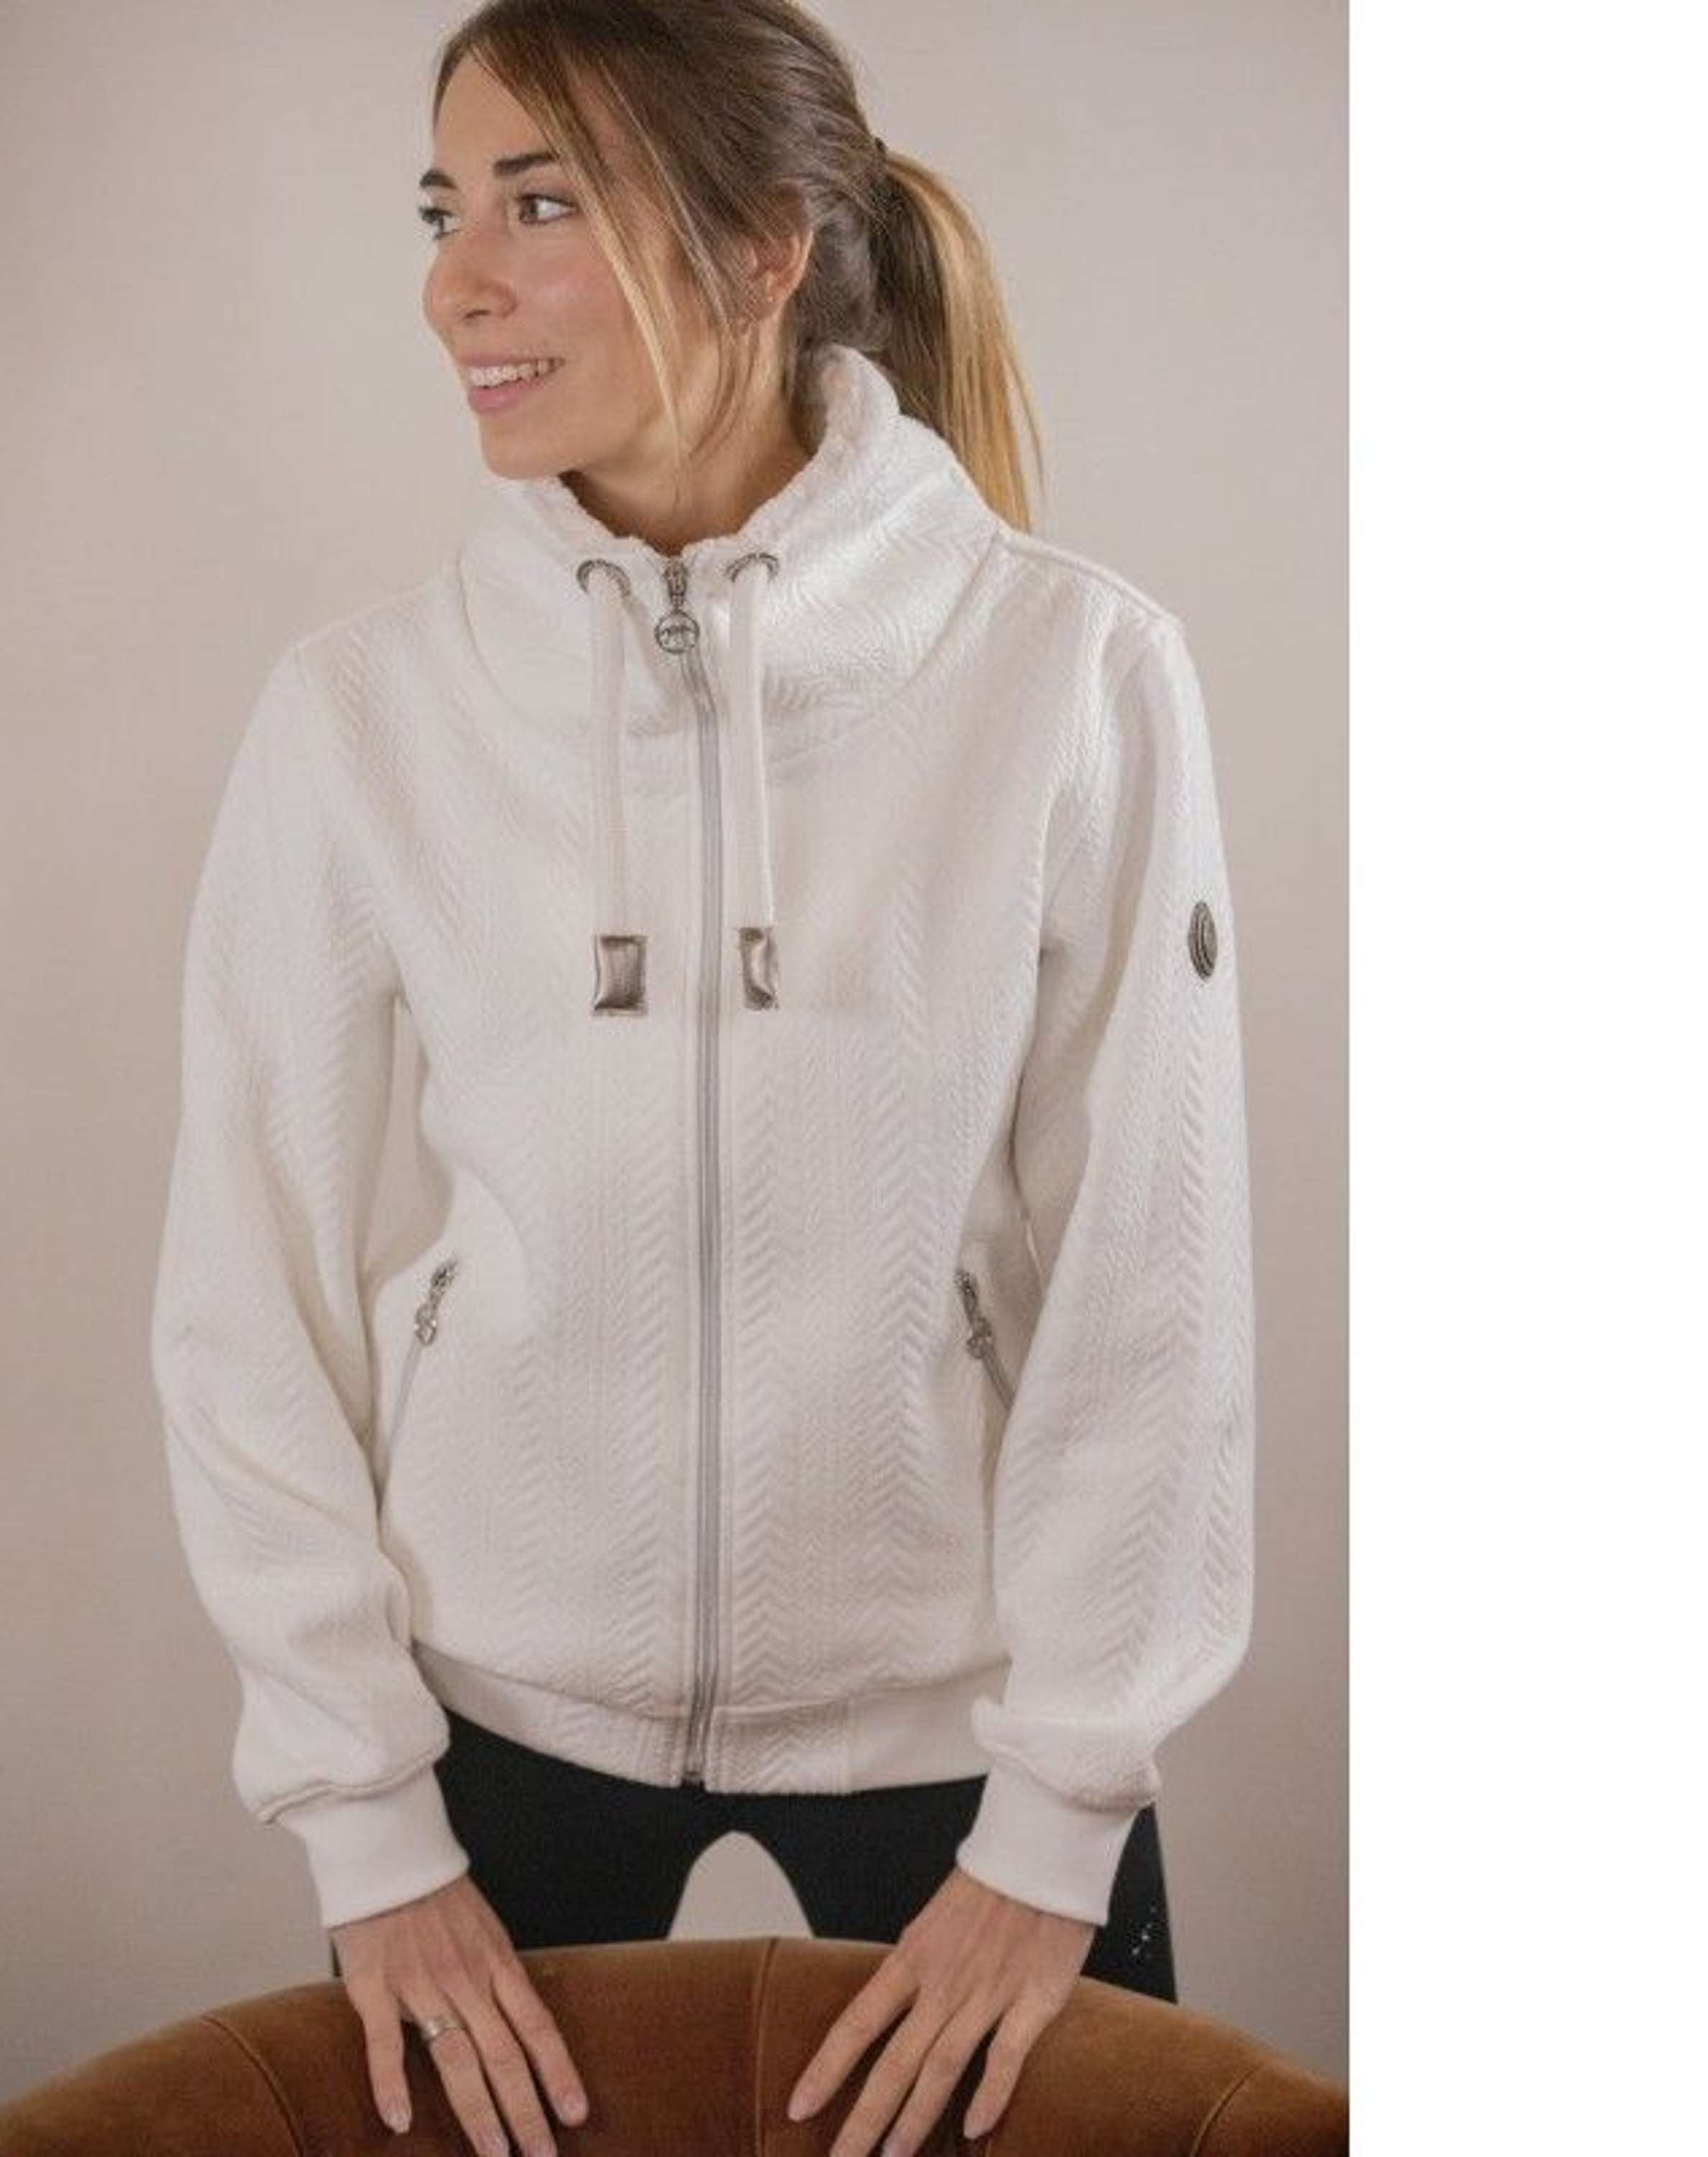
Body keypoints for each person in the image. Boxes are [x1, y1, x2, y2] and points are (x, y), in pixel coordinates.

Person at [148, 4, 1256, 2153]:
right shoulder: (362, 714)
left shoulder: (1072, 672)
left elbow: (1155, 1276)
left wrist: (1062, 1822)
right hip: (493, 1726)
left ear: (763, 253)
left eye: (541, 203)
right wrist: (368, 1822)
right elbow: (243, 1291)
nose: (457, 285)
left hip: (967, 1737)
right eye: (444, 211)